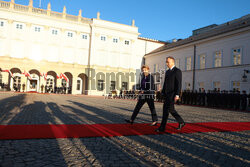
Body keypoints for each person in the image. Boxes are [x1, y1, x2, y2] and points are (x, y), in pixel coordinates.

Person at [156, 56, 185, 132]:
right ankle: (181, 122)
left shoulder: (177, 71)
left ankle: (162, 127)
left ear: (173, 62)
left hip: (172, 94)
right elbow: (165, 83)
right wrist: (162, 92)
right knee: (171, 110)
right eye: (166, 62)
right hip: (167, 94)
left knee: (165, 110)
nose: (166, 63)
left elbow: (179, 84)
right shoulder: (168, 71)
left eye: (168, 62)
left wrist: (177, 95)